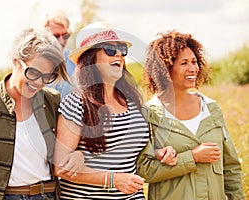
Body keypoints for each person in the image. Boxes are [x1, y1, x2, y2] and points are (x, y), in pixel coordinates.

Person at [53, 21, 177, 200]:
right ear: (90, 57)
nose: (118, 54)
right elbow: (61, 167)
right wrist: (113, 180)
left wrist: (159, 153)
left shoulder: (132, 101)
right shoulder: (76, 103)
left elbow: (128, 151)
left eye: (121, 50)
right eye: (110, 49)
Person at [0, 27, 69, 200]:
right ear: (16, 61)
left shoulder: (53, 101)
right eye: (33, 73)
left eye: (47, 77)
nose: (39, 82)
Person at [136, 30, 245, 200]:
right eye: (184, 63)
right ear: (165, 69)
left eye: (194, 62)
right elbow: (144, 170)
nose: (192, 68)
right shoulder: (148, 114)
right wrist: (192, 158)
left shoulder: (211, 108)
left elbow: (230, 167)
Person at [42, 9, 76, 98]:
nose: (61, 41)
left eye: (65, 36)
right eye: (56, 36)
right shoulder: (33, 62)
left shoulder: (77, 61)